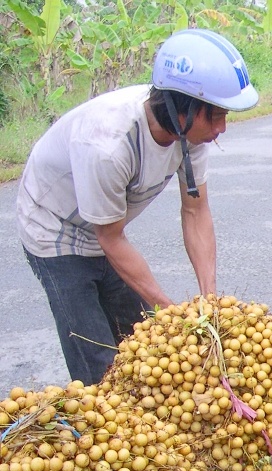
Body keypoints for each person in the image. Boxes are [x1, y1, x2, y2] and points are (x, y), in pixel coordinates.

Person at [16, 29, 258, 386]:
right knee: (98, 359)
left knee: (143, 339)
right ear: (181, 108)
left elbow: (196, 210)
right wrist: (172, 310)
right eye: (215, 116)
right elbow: (111, 238)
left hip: (104, 228)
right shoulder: (108, 145)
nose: (221, 128)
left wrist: (209, 302)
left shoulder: (192, 132)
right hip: (54, 230)